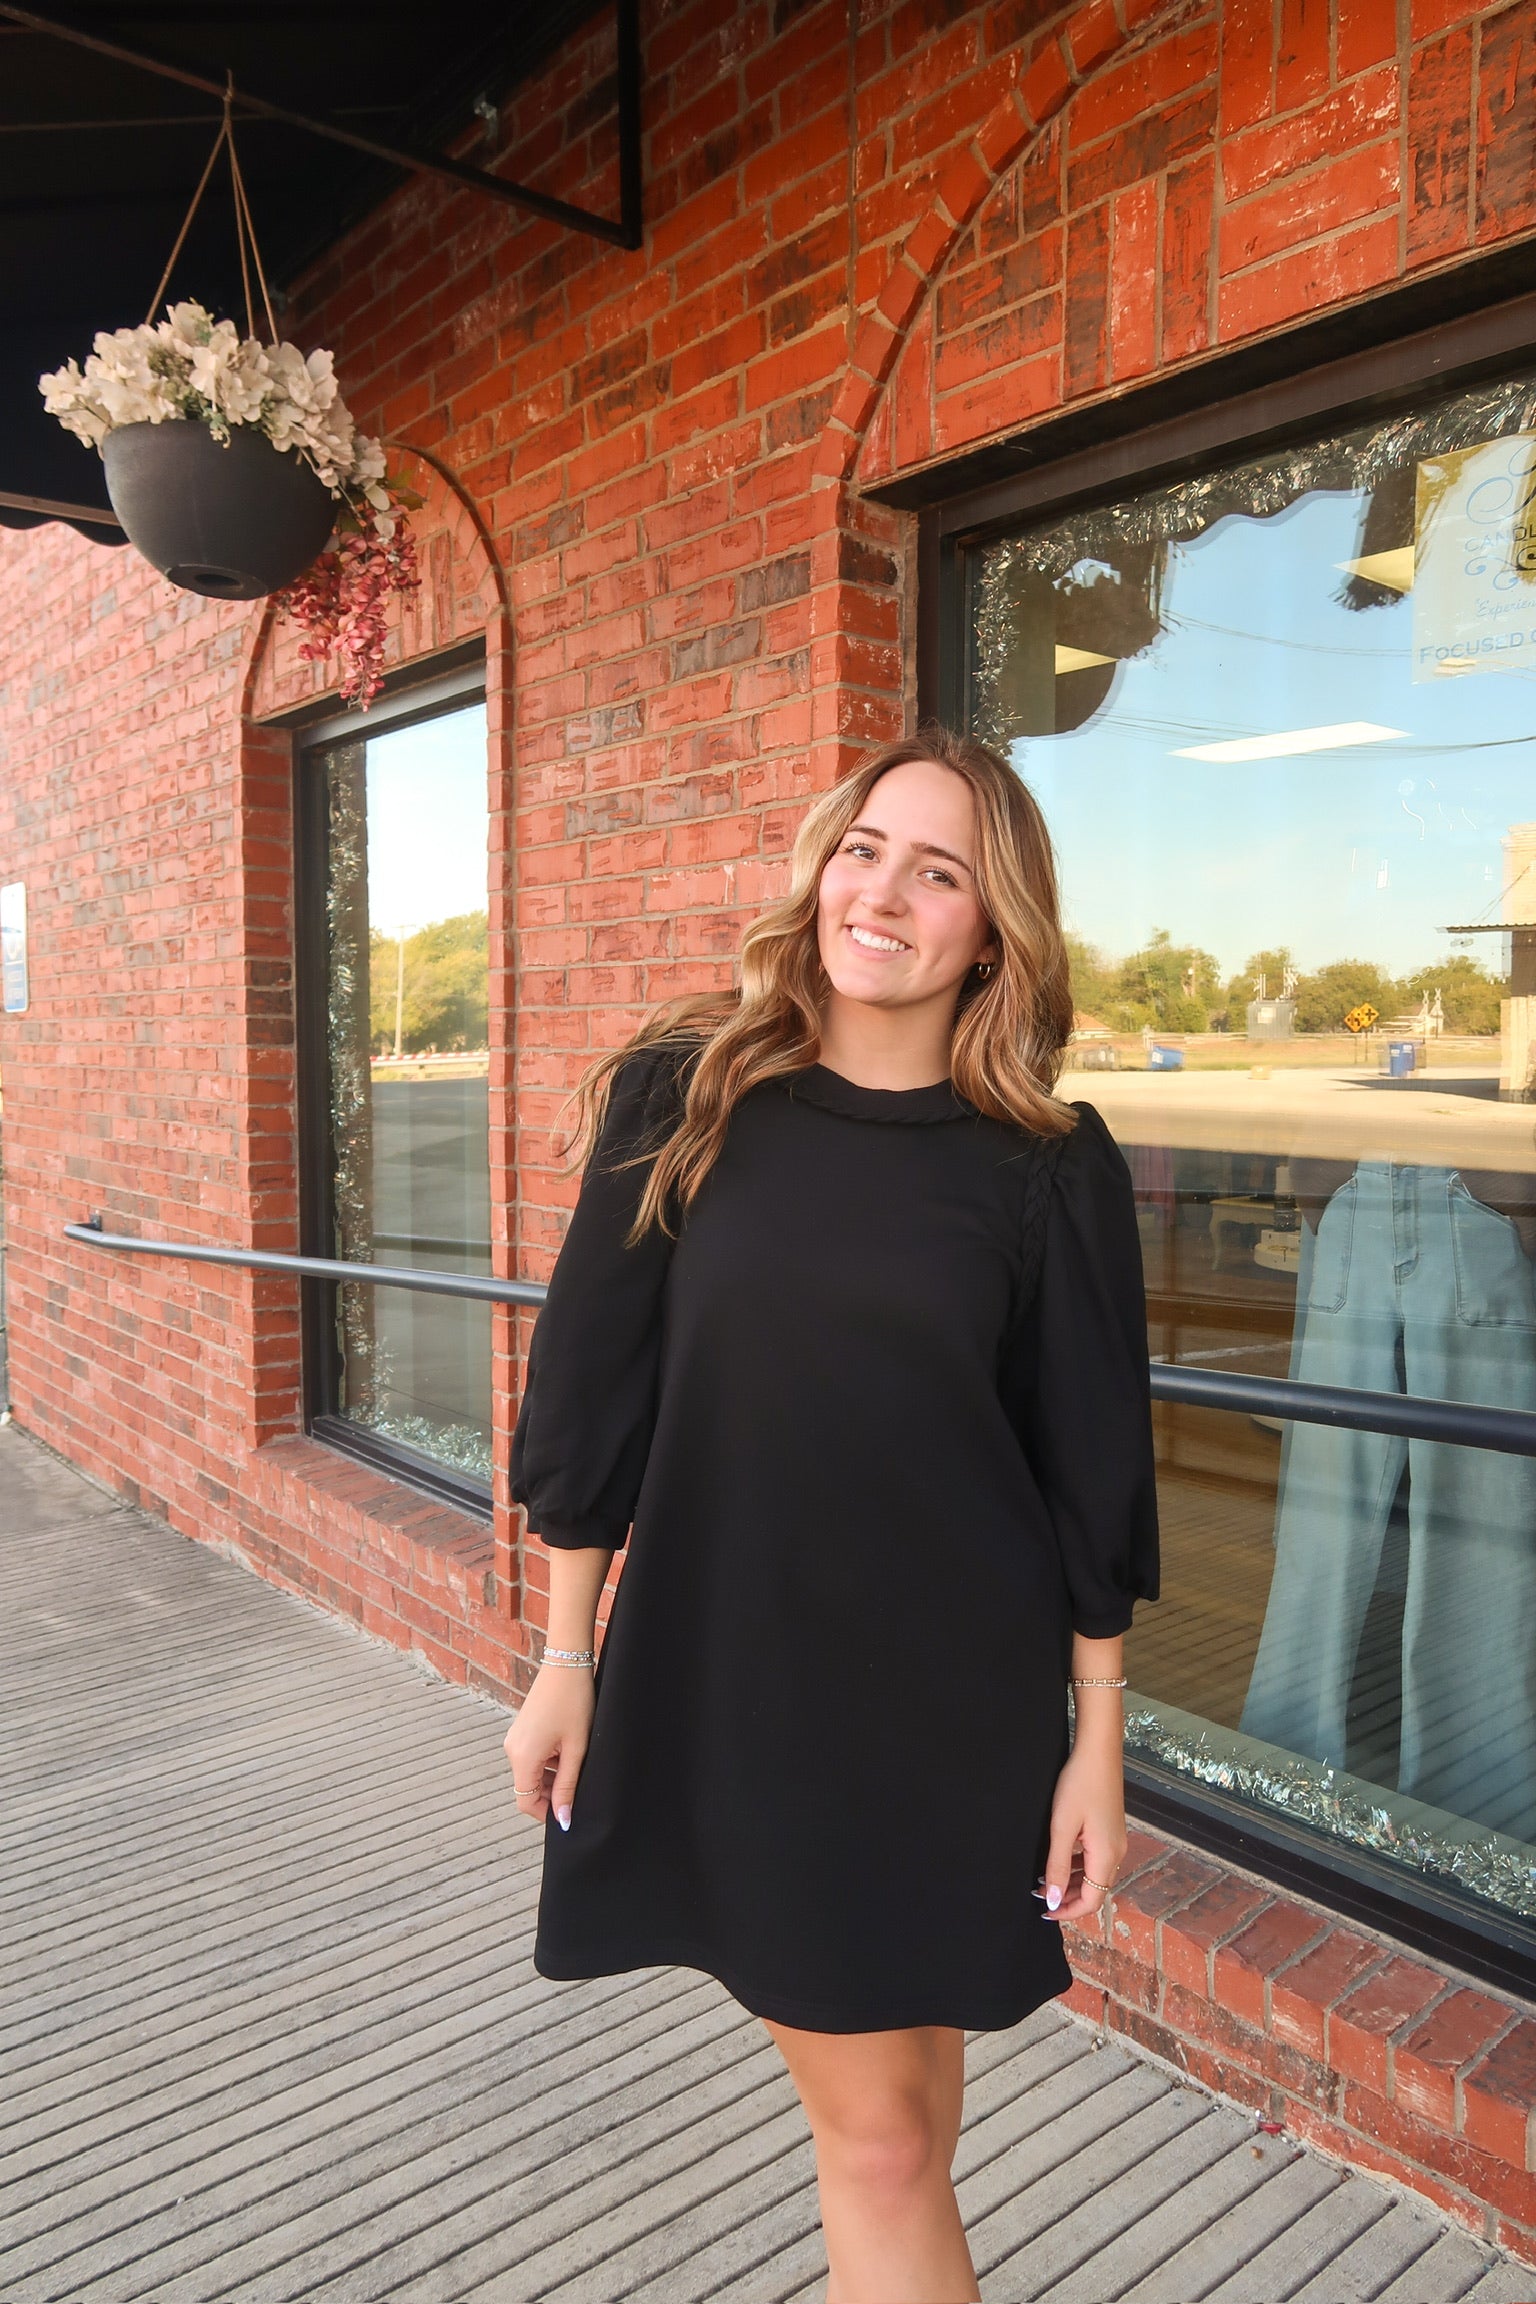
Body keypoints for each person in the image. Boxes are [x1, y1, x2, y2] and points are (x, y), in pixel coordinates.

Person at [505, 726, 1160, 2303]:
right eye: (865, 849)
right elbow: (595, 1395)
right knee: (876, 2141)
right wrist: (567, 1651)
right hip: (751, 1685)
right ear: (819, 871)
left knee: (913, 2123)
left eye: (938, 871)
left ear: (991, 928)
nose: (885, 893)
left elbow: (1089, 1467)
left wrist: (1096, 1739)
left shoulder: (1049, 1167)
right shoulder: (691, 1096)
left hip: (960, 1709)